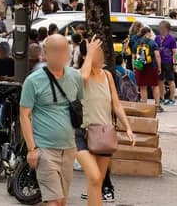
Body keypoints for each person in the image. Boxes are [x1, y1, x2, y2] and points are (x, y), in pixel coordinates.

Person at [20, 34, 84, 206]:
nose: (60, 54)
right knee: (53, 201)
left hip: (69, 148)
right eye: (55, 50)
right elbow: (24, 115)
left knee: (62, 200)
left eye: (64, 50)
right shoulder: (33, 81)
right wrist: (32, 148)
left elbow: (78, 105)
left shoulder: (75, 77)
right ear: (45, 54)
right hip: (45, 149)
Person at [76, 38, 134, 206]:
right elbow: (84, 78)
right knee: (94, 176)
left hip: (104, 134)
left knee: (97, 182)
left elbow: (116, 105)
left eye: (101, 53)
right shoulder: (78, 74)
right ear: (87, 55)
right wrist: (90, 53)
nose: (101, 57)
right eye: (97, 53)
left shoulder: (108, 75)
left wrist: (128, 128)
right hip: (83, 133)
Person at [132, 27, 162, 111]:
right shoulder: (152, 43)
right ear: (147, 33)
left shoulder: (136, 43)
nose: (151, 35)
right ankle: (157, 105)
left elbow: (133, 57)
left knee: (142, 87)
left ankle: (144, 105)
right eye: (150, 33)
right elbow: (157, 56)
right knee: (155, 86)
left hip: (140, 68)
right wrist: (159, 67)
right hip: (151, 67)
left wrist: (134, 67)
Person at [156, 21, 177, 106]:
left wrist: (174, 63)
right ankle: (162, 98)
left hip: (168, 62)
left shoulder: (171, 38)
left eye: (162, 28)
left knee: (170, 80)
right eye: (160, 28)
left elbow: (175, 52)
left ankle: (172, 98)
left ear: (167, 29)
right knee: (160, 80)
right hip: (159, 62)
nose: (161, 30)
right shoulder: (157, 38)